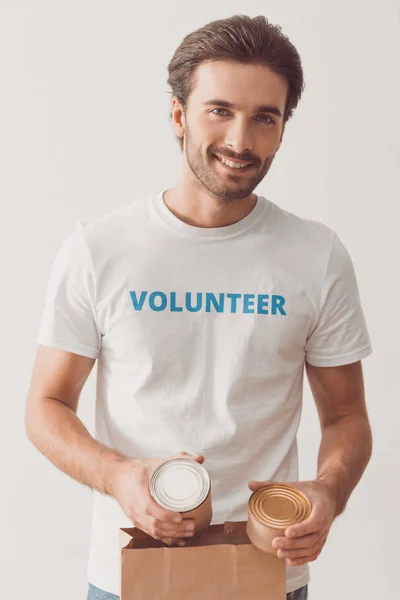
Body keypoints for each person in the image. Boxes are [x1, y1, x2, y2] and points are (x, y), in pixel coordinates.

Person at [24, 14, 373, 600]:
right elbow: (45, 404)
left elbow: (345, 417)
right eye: (220, 111)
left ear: (283, 129)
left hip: (268, 571)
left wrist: (330, 492)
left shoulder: (317, 255)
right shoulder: (99, 249)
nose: (241, 141)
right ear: (179, 115)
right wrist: (117, 476)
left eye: (265, 118)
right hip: (127, 577)